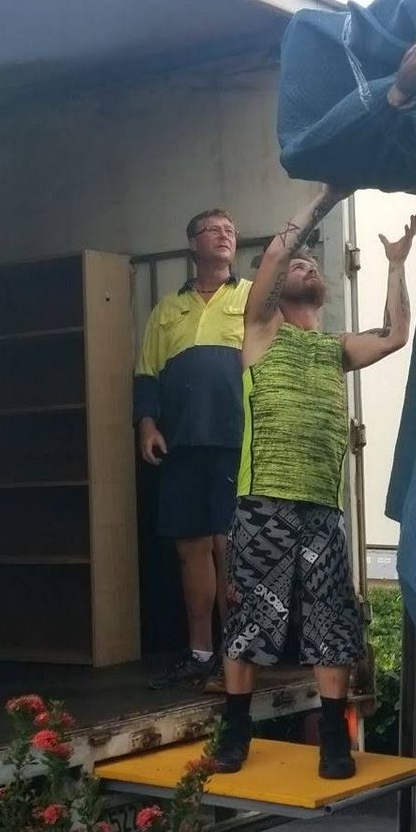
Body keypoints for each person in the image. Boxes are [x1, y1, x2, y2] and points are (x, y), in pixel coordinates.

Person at [212, 185, 416, 780]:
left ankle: (332, 739)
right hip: (263, 502)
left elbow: (395, 333)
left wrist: (398, 263)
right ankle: (235, 730)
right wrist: (329, 197)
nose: (304, 264)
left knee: (331, 623)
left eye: (312, 265)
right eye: (297, 263)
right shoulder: (259, 331)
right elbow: (278, 252)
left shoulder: (334, 349)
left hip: (324, 509)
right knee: (251, 620)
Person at [135, 208, 250, 690]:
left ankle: (237, 654)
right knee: (191, 549)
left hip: (235, 440)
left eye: (230, 230)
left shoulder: (251, 296)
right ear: (192, 244)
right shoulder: (168, 308)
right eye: (213, 230)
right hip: (180, 442)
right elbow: (146, 373)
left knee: (230, 547)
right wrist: (147, 425)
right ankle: (200, 651)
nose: (224, 236)